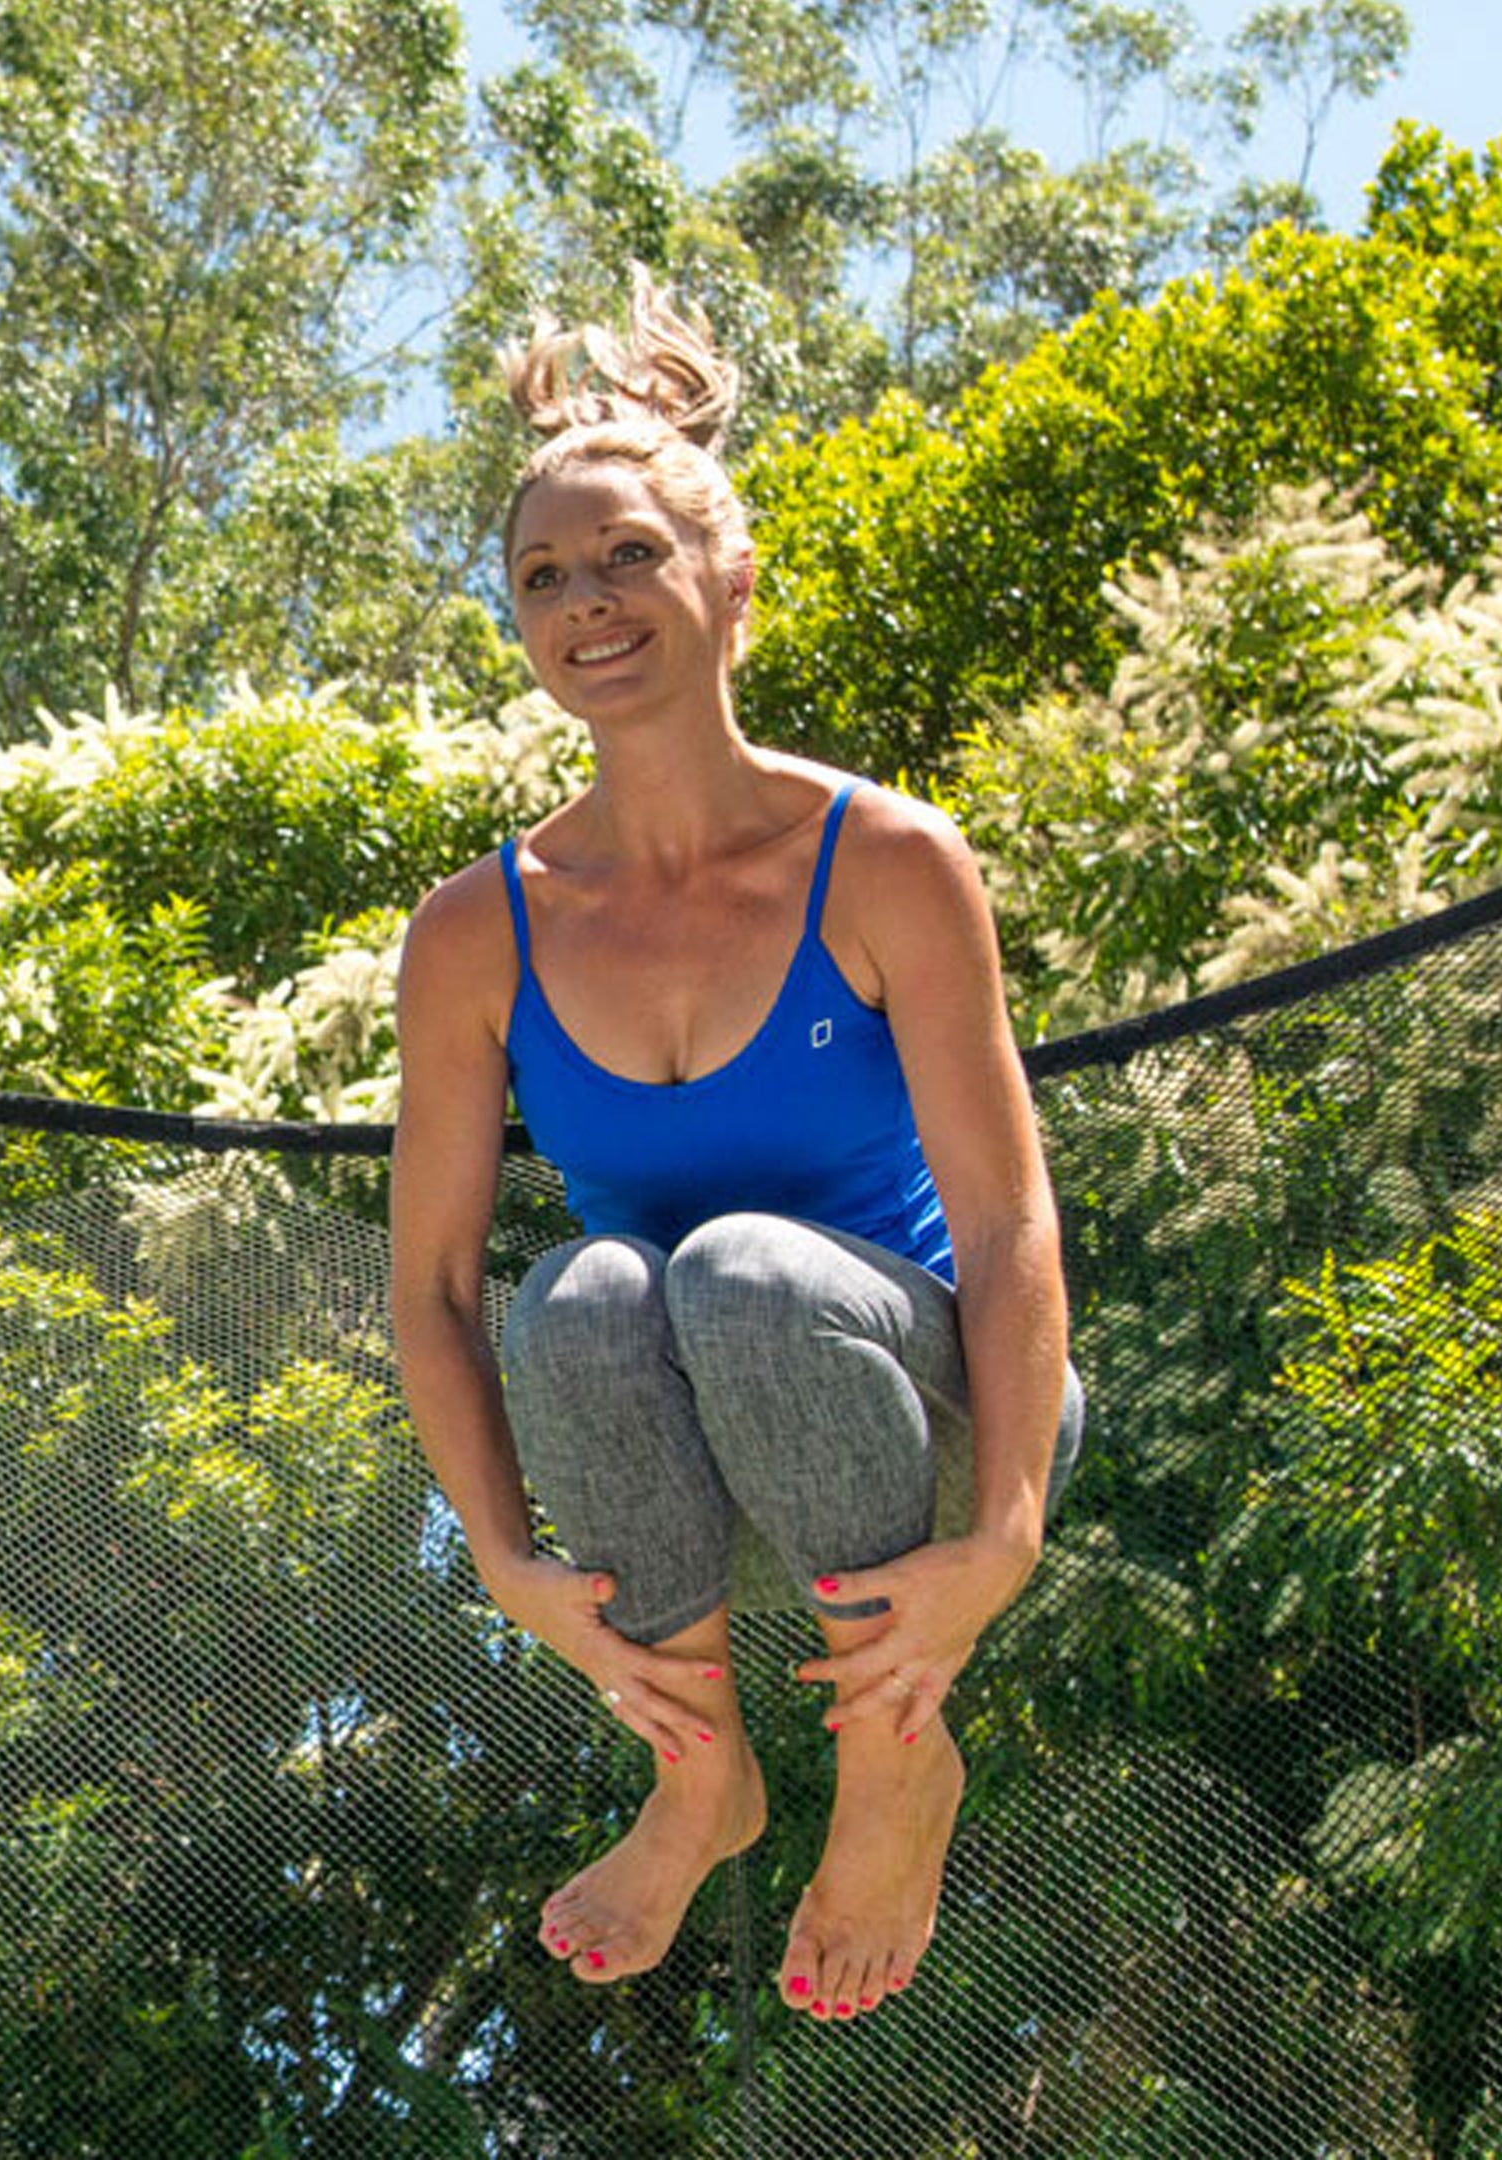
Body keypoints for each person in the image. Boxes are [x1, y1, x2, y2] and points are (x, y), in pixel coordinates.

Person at [388, 267, 1080, 2027]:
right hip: (679, 1442)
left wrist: (1000, 1536)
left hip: (927, 1409)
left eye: (627, 555)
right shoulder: (479, 930)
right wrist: (504, 1560)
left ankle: (894, 1754)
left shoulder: (890, 861)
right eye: (543, 577)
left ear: (729, 579)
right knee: (584, 1290)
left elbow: (1007, 1233)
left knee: (742, 1267)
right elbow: (436, 1294)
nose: (585, 602)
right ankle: (702, 1768)